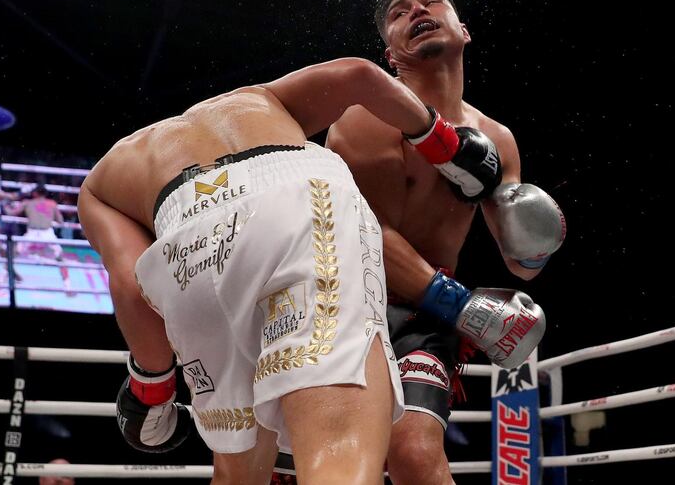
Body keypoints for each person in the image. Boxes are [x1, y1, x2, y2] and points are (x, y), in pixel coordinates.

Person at [77, 57, 520, 484]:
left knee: (238, 474)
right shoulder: (256, 100)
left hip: (186, 248)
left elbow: (134, 288)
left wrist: (150, 391)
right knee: (337, 455)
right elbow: (358, 74)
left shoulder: (101, 181)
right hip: (290, 201)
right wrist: (443, 141)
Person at [326, 0, 566, 485]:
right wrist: (461, 306)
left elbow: (521, 265)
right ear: (391, 55)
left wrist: (536, 243)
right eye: (399, 12)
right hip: (346, 309)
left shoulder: (498, 140)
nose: (416, 10)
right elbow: (364, 234)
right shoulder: (364, 118)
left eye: (431, 2)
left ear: (463, 31)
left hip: (423, 324)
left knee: (414, 455)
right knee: (333, 466)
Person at [6, 185, 71, 292]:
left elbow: (12, 213)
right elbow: (60, 221)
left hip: (33, 233)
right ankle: (67, 285)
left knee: (13, 254)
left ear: (35, 193)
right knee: (60, 258)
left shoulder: (27, 203)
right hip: (47, 233)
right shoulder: (52, 204)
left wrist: (5, 206)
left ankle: (4, 276)